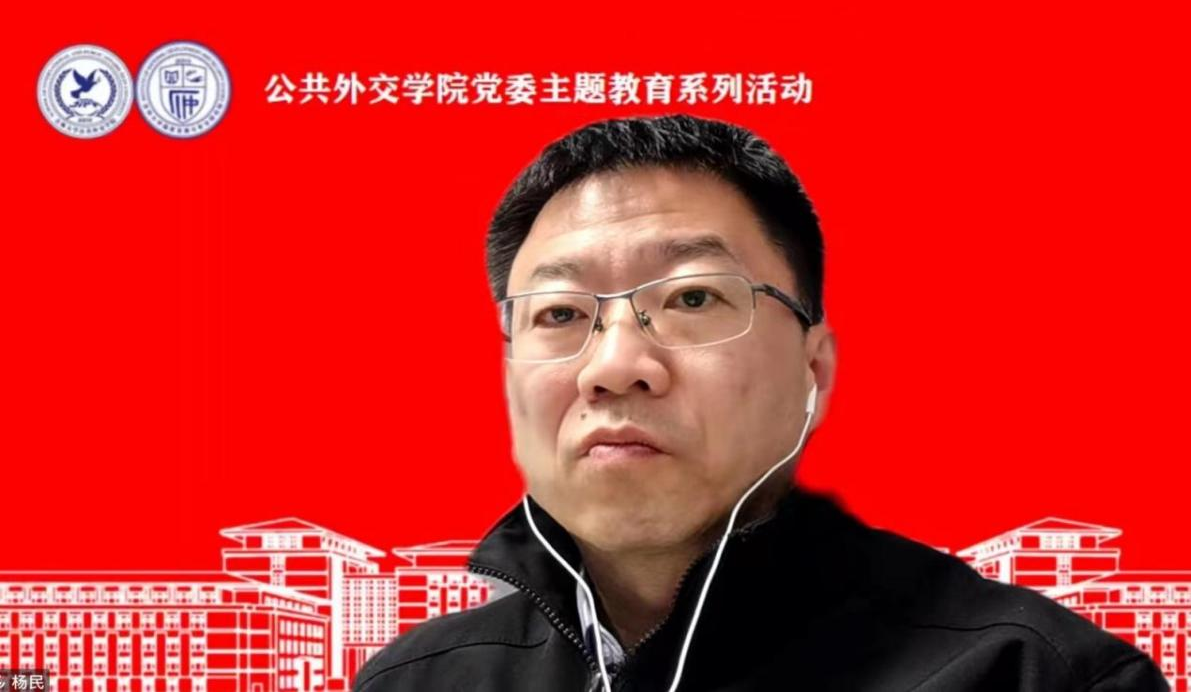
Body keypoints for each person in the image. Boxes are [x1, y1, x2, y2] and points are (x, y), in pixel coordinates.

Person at [353, 115, 1167, 691]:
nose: (615, 366)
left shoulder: (1028, 675)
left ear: (813, 370)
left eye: (692, 298)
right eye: (560, 314)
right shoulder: (414, 681)